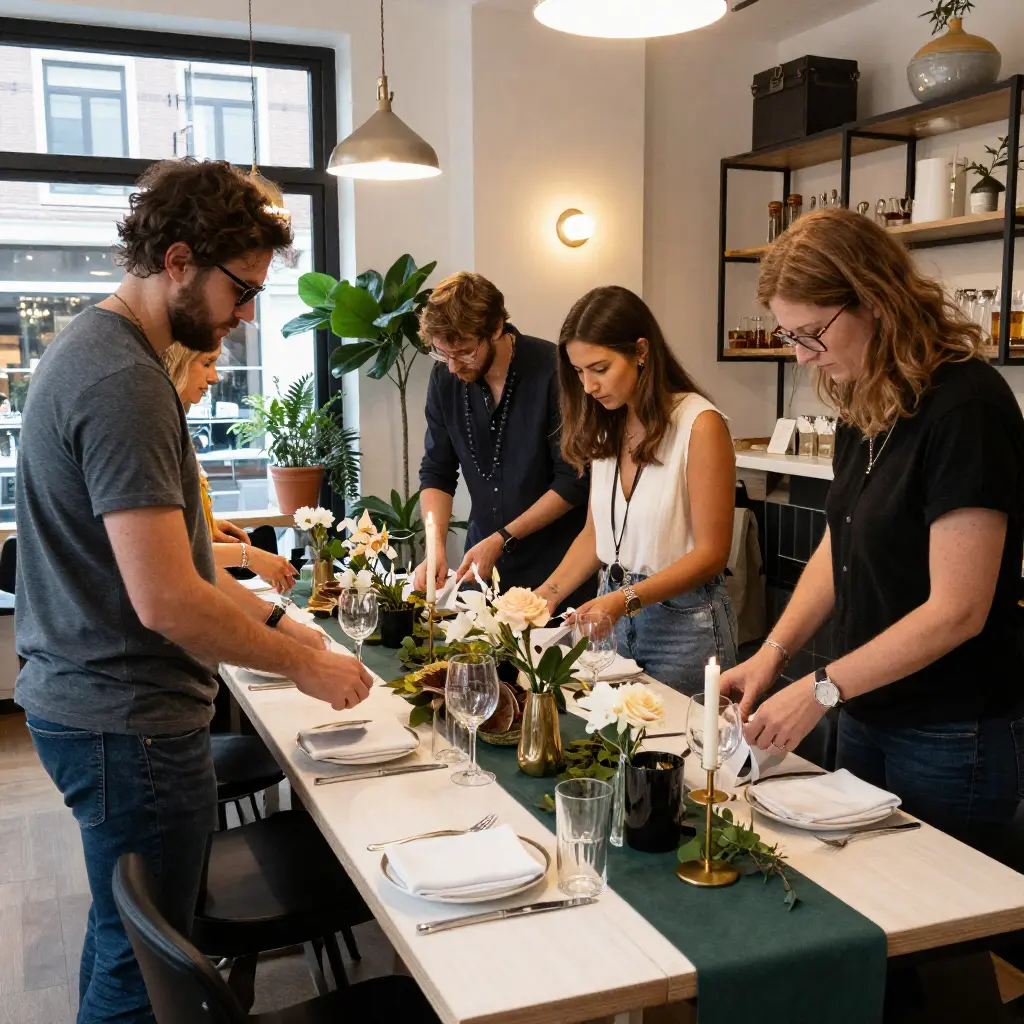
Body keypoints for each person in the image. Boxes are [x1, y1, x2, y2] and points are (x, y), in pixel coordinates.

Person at [14, 158, 371, 1024]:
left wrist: (283, 628)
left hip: (94, 706)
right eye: (240, 289)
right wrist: (305, 668)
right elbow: (167, 599)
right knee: (139, 966)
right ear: (178, 261)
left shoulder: (104, 354)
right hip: (127, 719)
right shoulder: (124, 381)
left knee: (126, 942)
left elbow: (189, 570)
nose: (246, 315)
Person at [724, 207, 1024, 853]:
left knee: (938, 935)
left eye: (812, 334)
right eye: (792, 338)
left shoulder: (967, 408)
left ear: (875, 299)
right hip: (866, 707)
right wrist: (772, 655)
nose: (805, 356)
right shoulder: (866, 403)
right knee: (865, 904)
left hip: (951, 730)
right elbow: (842, 543)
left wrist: (821, 686)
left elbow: (958, 611)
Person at [535, 285, 738, 693]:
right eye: (578, 372)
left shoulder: (700, 425)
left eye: (599, 368)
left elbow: (711, 555)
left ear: (641, 351)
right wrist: (545, 596)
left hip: (684, 627)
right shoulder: (608, 425)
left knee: (678, 753)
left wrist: (622, 600)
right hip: (612, 614)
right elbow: (597, 536)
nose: (588, 386)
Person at [412, 272, 593, 606]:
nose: (452, 367)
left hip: (555, 571)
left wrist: (504, 537)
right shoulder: (445, 380)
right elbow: (437, 470)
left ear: (496, 328)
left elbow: (574, 480)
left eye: (464, 352)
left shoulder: (554, 373)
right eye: (442, 354)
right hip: (481, 568)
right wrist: (434, 544)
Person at [162, 341, 297, 593]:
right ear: (177, 362)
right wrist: (248, 555)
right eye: (206, 363)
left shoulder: (174, 427)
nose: (214, 377)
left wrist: (210, 525)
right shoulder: (157, 435)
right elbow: (173, 554)